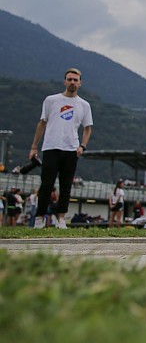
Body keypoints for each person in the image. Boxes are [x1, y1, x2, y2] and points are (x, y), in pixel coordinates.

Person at [29, 68, 93, 229]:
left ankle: (61, 218)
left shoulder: (84, 105)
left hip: (71, 149)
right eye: (69, 79)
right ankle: (40, 217)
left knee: (66, 186)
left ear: (80, 83)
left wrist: (83, 146)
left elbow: (88, 128)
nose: (72, 82)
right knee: (47, 184)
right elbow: (42, 123)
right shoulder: (51, 100)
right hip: (51, 146)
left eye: (75, 80)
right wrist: (34, 146)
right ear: (65, 81)